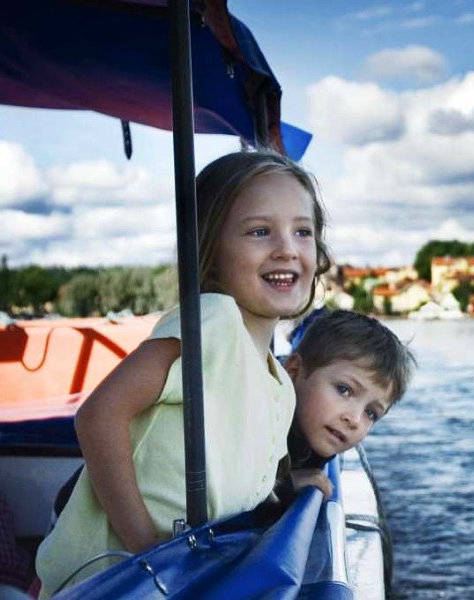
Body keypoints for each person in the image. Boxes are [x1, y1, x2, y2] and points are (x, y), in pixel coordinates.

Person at [34, 149, 331, 598]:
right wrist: (145, 548)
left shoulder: (278, 385)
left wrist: (288, 489)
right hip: (109, 581)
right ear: (209, 251)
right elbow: (99, 415)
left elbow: (237, 487)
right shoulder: (211, 319)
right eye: (259, 231)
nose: (287, 248)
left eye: (302, 231)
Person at [271, 309, 416, 508]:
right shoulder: (257, 420)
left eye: (371, 413)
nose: (355, 419)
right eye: (344, 390)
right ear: (294, 370)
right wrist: (282, 486)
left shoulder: (313, 429)